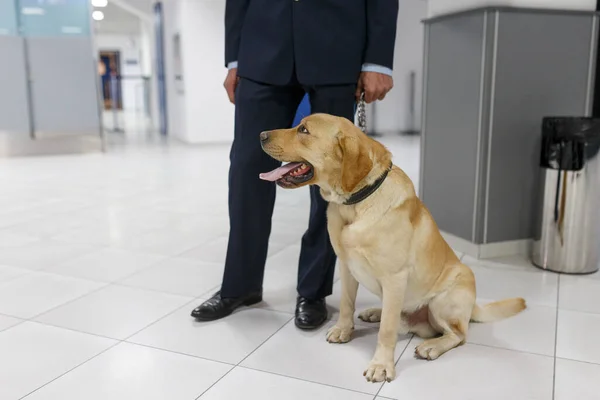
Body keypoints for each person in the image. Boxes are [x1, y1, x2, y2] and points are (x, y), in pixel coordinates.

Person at [191, 0, 399, 330]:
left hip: (337, 44)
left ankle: (313, 291)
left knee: (332, 175)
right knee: (248, 167)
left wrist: (378, 60)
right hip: (261, 48)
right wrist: (235, 59)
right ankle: (241, 286)